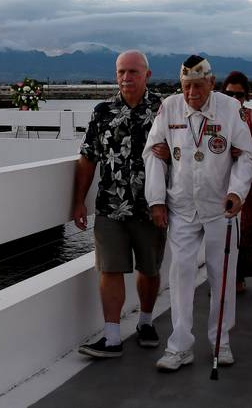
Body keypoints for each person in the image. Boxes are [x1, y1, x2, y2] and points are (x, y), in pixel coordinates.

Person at [143, 55, 252, 371]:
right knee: (180, 275)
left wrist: (237, 192)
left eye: (198, 86)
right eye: (186, 86)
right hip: (180, 206)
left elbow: (248, 156)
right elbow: (152, 154)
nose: (192, 93)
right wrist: (155, 200)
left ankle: (220, 342)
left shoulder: (229, 108)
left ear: (211, 82)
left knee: (222, 276)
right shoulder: (169, 108)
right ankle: (180, 346)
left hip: (220, 208)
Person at [73, 50, 166, 358]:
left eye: (133, 72)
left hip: (151, 206)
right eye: (121, 72)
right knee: (110, 269)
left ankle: (145, 322)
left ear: (147, 76)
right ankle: (112, 337)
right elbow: (87, 159)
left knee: (149, 268)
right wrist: (78, 202)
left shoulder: (165, 110)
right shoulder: (102, 112)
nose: (127, 78)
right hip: (110, 206)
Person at [220, 71, 252, 293]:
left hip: (246, 184)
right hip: (219, 182)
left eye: (239, 94)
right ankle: (222, 277)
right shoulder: (215, 117)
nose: (234, 98)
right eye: (229, 93)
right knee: (220, 234)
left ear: (246, 96)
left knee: (246, 232)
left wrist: (243, 152)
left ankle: (238, 278)